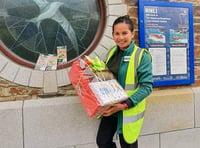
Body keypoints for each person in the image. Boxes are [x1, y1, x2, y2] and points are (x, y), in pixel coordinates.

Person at [96, 15, 153, 148]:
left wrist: (125, 105)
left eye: (124, 33)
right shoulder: (111, 53)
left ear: (132, 34)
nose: (120, 37)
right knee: (103, 141)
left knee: (128, 145)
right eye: (117, 33)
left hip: (128, 109)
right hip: (112, 108)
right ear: (112, 35)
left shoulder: (141, 56)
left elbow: (147, 87)